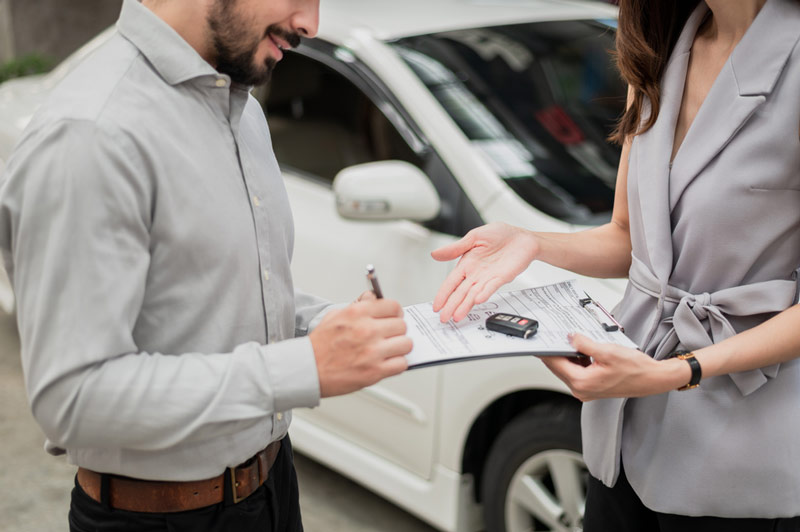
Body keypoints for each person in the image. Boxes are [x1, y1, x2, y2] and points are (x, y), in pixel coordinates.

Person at [0, 0, 412, 531]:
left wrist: (322, 325)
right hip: (155, 519)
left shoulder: (241, 108)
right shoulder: (91, 132)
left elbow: (220, 290)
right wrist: (304, 367)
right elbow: (73, 397)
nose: (311, 24)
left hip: (272, 486)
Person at [431, 0, 800, 529]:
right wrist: (530, 240)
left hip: (745, 444)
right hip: (624, 427)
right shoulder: (660, 52)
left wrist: (679, 372)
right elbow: (628, 239)